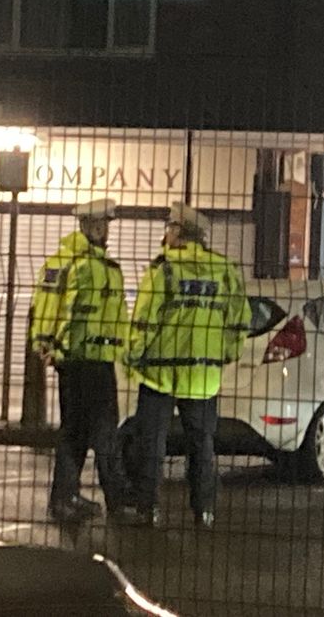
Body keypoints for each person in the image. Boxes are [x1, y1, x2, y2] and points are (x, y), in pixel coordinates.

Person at [126, 202, 251, 528]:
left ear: (179, 232)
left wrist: (133, 356)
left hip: (160, 373)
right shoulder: (224, 270)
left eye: (169, 227)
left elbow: (144, 320)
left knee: (152, 443)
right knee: (202, 445)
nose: (165, 234)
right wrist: (227, 352)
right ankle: (204, 510)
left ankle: (148, 508)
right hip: (203, 376)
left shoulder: (164, 269)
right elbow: (239, 319)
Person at [28, 198, 133, 523]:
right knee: (103, 435)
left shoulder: (99, 265)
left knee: (76, 432)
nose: (105, 231)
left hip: (93, 360)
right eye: (100, 225)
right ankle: (117, 504)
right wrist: (47, 345)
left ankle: (65, 497)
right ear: (88, 226)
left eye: (106, 225)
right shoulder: (75, 263)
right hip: (83, 361)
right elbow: (48, 307)